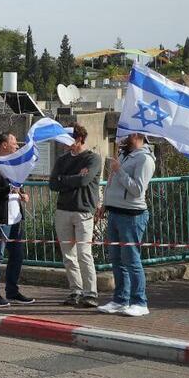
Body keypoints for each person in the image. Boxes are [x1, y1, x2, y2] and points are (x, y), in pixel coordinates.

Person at [98, 133, 155, 317]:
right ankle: (120, 299)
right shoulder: (124, 155)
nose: (123, 137)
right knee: (116, 259)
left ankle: (140, 301)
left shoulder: (145, 159)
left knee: (131, 259)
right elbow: (112, 184)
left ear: (138, 135)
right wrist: (105, 204)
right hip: (115, 212)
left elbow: (137, 189)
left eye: (128, 133)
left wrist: (119, 170)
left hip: (132, 216)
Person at [0, 132, 35, 307]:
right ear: (3, 145)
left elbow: (17, 187)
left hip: (14, 218)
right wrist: (8, 190)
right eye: (13, 143)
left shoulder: (12, 164)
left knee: (17, 256)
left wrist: (22, 195)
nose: (17, 146)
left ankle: (12, 291)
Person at [49, 123, 102, 307]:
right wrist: (72, 179)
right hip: (63, 210)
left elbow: (85, 180)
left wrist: (64, 179)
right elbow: (53, 184)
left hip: (83, 210)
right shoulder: (62, 160)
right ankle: (76, 290)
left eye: (68, 139)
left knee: (84, 253)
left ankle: (91, 292)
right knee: (68, 255)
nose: (64, 143)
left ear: (79, 139)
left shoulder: (93, 158)